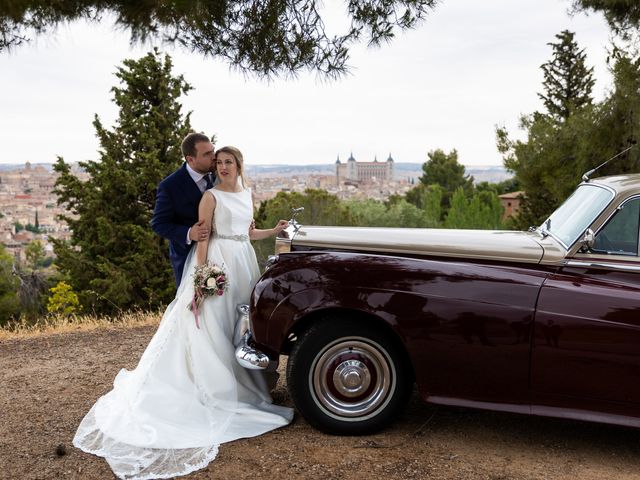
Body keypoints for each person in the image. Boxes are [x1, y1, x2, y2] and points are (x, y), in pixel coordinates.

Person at [73, 146, 293, 479]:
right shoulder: (210, 197)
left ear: (239, 165)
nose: (221, 167)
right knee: (211, 327)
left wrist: (273, 232)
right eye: (218, 162)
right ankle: (217, 387)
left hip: (243, 259)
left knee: (238, 324)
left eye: (227, 162)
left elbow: (248, 233)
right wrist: (202, 278)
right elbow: (203, 240)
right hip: (218, 262)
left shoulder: (247, 192)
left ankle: (243, 379)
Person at [152, 132, 216, 286]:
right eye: (207, 154)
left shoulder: (219, 175)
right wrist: (189, 233)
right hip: (187, 257)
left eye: (213, 150)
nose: (214, 156)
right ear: (190, 159)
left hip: (220, 252)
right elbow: (159, 224)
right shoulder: (170, 186)